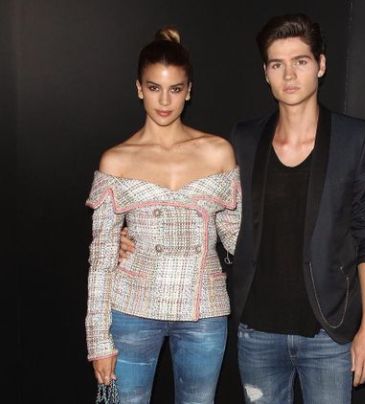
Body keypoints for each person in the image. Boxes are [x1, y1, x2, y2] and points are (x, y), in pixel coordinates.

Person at [120, 13, 365, 404]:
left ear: (321, 65)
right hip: (257, 333)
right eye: (277, 64)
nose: (289, 75)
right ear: (266, 73)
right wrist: (133, 235)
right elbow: (206, 209)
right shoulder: (243, 140)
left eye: (300, 61)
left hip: (328, 332)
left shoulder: (354, 138)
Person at [85, 26, 241, 404]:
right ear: (139, 88)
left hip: (204, 310)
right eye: (154, 87)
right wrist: (98, 340)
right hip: (132, 308)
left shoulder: (218, 152)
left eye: (175, 88)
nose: (165, 100)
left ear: (189, 91)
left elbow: (238, 240)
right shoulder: (116, 160)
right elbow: (101, 260)